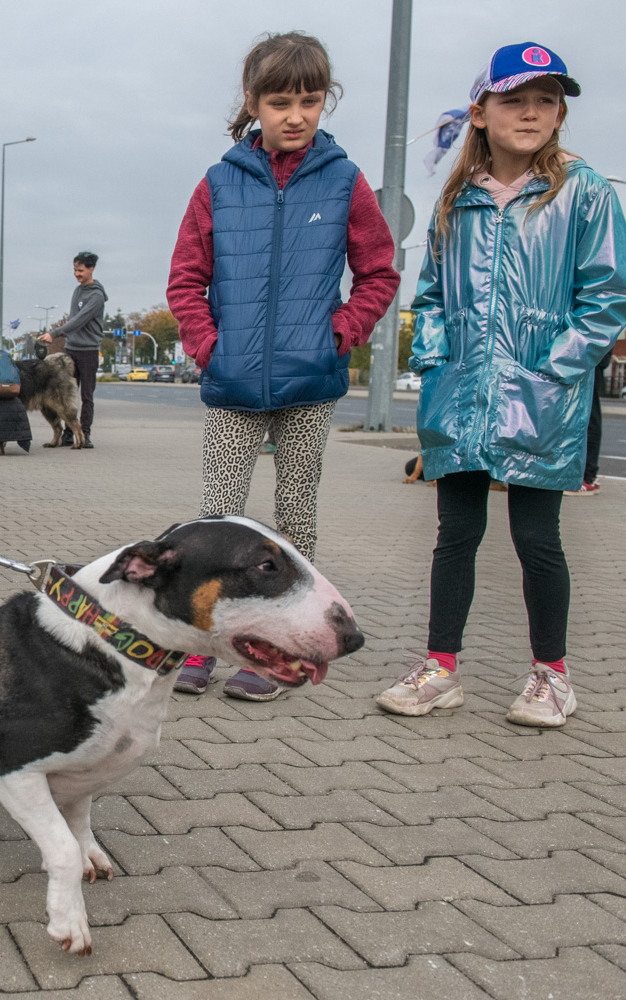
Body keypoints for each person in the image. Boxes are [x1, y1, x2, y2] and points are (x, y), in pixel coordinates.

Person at [375, 43, 626, 729]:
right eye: (515, 99)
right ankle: (440, 668)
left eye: (546, 100)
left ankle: (552, 676)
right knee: (455, 533)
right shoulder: (455, 199)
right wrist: (434, 363)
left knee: (537, 538)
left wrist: (552, 370)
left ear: (559, 113)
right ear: (481, 112)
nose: (531, 112)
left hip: (542, 399)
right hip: (459, 398)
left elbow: (608, 294)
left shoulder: (584, 192)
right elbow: (430, 293)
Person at [166, 31, 399, 701]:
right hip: (233, 383)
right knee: (217, 517)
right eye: (280, 101)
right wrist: (208, 344)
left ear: (325, 102)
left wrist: (341, 334)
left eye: (310, 100)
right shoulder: (218, 183)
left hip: (309, 382)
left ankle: (282, 650)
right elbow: (186, 277)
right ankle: (201, 643)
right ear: (253, 104)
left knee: (295, 518)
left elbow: (379, 273)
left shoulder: (346, 181)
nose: (295, 115)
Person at [39, 252, 105, 448]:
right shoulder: (77, 291)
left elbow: (78, 320)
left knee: (86, 396)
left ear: (91, 269)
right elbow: (72, 319)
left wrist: (56, 332)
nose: (77, 273)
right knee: (66, 393)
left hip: (88, 351)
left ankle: (85, 434)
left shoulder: (97, 296)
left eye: (80, 270)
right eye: (74, 270)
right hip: (71, 349)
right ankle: (68, 433)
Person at [566, 353, 611, 496]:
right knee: (587, 413)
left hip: (588, 354)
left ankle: (585, 477)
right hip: (588, 354)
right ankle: (587, 476)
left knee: (587, 414)